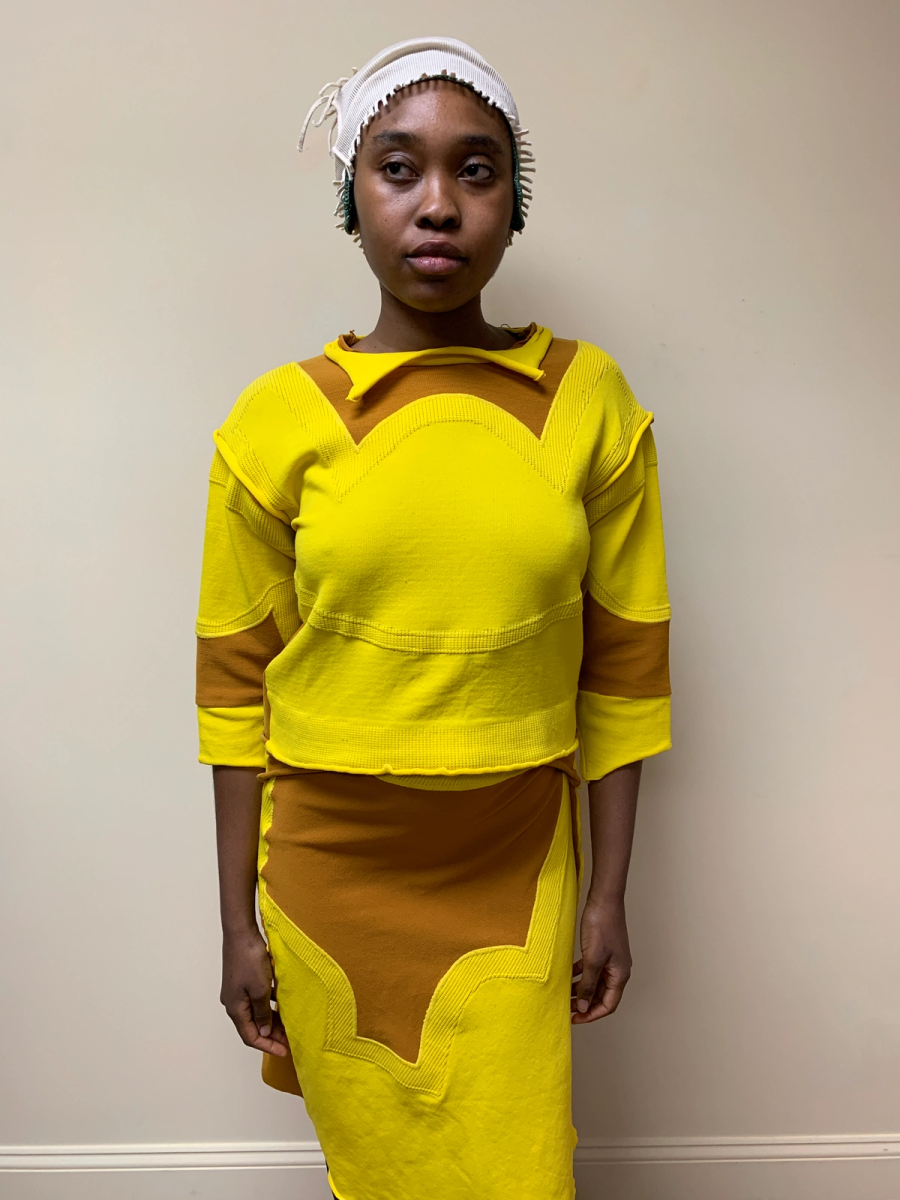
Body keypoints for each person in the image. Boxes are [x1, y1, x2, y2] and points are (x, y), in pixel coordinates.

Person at [195, 37, 671, 1200]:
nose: (439, 205)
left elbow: (623, 673)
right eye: (399, 168)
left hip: (514, 860)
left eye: (477, 170)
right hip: (330, 869)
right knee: (378, 1174)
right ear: (352, 196)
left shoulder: (591, 404)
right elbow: (234, 693)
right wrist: (237, 924)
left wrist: (609, 896)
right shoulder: (275, 423)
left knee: (518, 1168)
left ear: (515, 201)